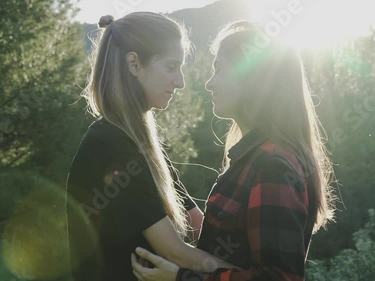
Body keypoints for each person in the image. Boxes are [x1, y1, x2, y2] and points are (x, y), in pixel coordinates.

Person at [131, 20, 336, 281]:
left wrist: (181, 278)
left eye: (218, 70)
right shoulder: (253, 158)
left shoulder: (272, 165)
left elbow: (279, 278)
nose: (209, 84)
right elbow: (224, 241)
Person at [66, 12, 235, 281]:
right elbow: (175, 252)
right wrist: (250, 276)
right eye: (170, 67)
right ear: (133, 64)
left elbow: (196, 225)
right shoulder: (111, 144)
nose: (180, 82)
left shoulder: (140, 143)